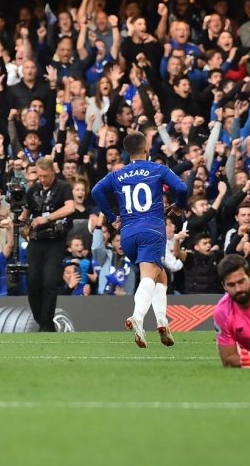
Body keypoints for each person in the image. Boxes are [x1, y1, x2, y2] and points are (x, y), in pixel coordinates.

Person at [91, 132, 188, 347]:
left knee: (161, 277)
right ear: (146, 149)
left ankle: (163, 321)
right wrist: (179, 205)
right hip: (151, 230)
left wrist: (111, 216)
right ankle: (138, 317)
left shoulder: (118, 174)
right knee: (148, 276)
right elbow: (182, 188)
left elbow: (96, 190)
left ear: (127, 152)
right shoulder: (158, 169)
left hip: (127, 235)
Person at [18, 157, 75, 331]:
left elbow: (70, 208)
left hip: (55, 241)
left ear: (52, 172)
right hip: (36, 241)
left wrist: (47, 218)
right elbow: (24, 216)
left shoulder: (63, 187)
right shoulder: (33, 189)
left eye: (45, 176)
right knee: (33, 281)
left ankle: (46, 324)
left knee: (50, 281)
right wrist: (20, 223)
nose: (42, 179)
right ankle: (43, 321)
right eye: (39, 176)